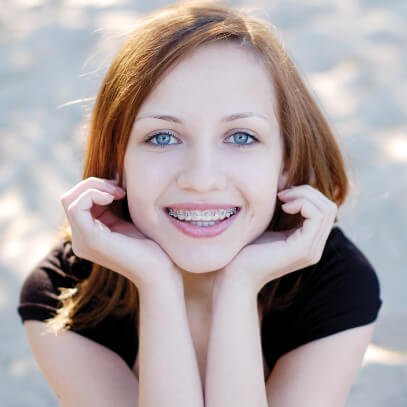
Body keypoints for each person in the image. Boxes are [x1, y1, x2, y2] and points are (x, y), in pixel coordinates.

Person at [17, 0, 383, 406]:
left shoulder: (333, 279)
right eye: (162, 137)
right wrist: (156, 283)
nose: (201, 180)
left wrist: (240, 286)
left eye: (241, 136)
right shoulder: (66, 292)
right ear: (117, 162)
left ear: (286, 161)